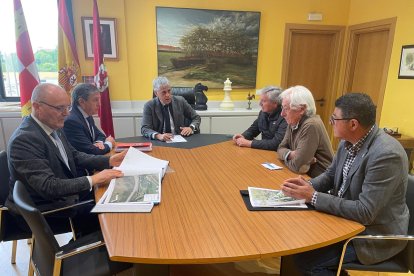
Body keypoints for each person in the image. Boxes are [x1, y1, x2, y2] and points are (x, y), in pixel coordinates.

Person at [281, 93, 409, 275]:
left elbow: (365, 212)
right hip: (345, 222)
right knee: (297, 242)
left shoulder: (386, 155)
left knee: (308, 261)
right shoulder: (347, 142)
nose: (331, 122)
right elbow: (330, 175)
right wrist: (304, 185)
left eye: (334, 118)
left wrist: (313, 196)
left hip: (374, 236)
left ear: (353, 124)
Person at [6, 83, 126, 235]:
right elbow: (49, 187)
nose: (67, 113)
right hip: (46, 211)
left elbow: (74, 156)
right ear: (37, 107)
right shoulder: (24, 140)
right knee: (115, 215)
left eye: (68, 107)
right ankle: (81, 253)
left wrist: (109, 161)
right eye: (59, 108)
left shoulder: (53, 126)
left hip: (63, 198)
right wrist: (93, 179)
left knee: (117, 195)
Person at [277, 85, 333, 177]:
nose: (282, 114)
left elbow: (298, 167)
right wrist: (291, 154)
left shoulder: (311, 125)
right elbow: (280, 148)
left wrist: (285, 158)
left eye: (286, 109)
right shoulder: (293, 121)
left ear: (302, 109)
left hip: (318, 180)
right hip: (303, 176)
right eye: (282, 108)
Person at [141, 76, 201, 141]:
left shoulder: (180, 101)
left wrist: (191, 128)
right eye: (163, 92)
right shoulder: (149, 106)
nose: (167, 95)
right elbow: (145, 129)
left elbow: (196, 117)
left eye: (169, 91)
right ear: (156, 93)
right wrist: (158, 136)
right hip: (160, 141)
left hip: (180, 139)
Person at [63, 83, 115, 155]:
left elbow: (100, 135)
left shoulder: (87, 114)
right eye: (95, 100)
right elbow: (90, 151)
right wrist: (109, 143)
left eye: (99, 100)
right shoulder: (71, 121)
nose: (99, 104)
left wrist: (98, 143)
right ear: (81, 102)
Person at [233, 86, 287, 150]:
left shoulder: (285, 116)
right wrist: (243, 136)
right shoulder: (263, 112)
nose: (260, 104)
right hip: (263, 150)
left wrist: (249, 143)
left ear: (275, 103)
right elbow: (254, 129)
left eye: (263, 101)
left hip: (277, 154)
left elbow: (276, 144)